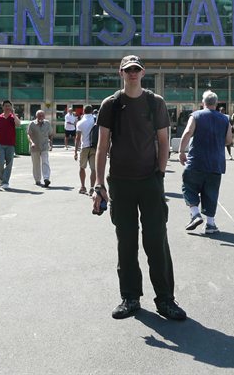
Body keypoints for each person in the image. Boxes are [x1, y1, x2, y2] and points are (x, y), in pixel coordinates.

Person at [93, 55, 186, 321]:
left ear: (142, 72)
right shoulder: (111, 104)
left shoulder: (155, 102)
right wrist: (98, 183)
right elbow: (102, 146)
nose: (132, 73)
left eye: (136, 69)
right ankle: (130, 297)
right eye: (127, 70)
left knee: (157, 241)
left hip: (149, 182)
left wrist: (159, 175)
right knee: (127, 241)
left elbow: (163, 141)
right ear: (121, 73)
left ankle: (165, 299)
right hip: (120, 182)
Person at [179, 90, 232, 235]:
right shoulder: (225, 119)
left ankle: (195, 214)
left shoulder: (196, 115)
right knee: (211, 193)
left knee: (188, 187)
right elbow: (229, 140)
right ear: (216, 103)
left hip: (196, 161)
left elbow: (188, 132)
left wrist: (181, 151)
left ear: (203, 102)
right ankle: (210, 224)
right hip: (216, 163)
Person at [0, 100, 21, 189]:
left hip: (10, 144)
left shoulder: (13, 117)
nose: (7, 107)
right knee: (0, 162)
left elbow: (18, 124)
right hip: (0, 144)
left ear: (11, 107)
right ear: (3, 107)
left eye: (9, 106)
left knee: (9, 164)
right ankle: (2, 178)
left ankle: (5, 181)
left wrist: (14, 114)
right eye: (6, 106)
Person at [74, 104, 97, 194]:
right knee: (93, 169)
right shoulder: (95, 120)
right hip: (95, 147)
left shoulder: (80, 123)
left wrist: (75, 151)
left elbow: (78, 138)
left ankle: (83, 187)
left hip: (84, 147)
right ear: (92, 111)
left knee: (82, 167)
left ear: (83, 111)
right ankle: (92, 188)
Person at [28, 110, 53, 187]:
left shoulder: (47, 123)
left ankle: (46, 178)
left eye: (42, 115)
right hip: (35, 147)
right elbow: (29, 135)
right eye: (39, 116)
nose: (41, 117)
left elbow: (51, 134)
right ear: (36, 117)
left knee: (45, 162)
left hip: (44, 146)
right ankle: (37, 179)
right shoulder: (32, 124)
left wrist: (51, 144)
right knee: (36, 164)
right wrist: (32, 142)